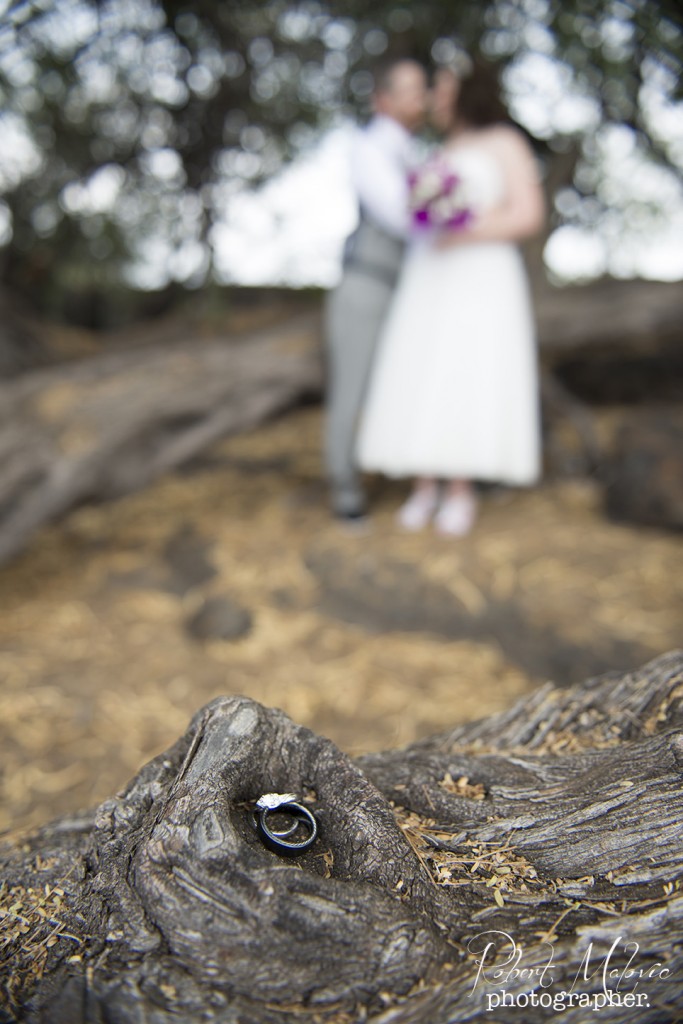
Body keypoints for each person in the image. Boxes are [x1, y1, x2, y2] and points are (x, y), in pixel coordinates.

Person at [356, 59, 545, 535]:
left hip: (480, 274)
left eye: (441, 89)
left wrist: (463, 228)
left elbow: (527, 215)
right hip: (432, 273)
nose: (434, 98)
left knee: (467, 370)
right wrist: (434, 219)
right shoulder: (442, 148)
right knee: (424, 368)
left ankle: (459, 489)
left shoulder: (505, 142)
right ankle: (424, 486)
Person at [324, 58, 428, 523]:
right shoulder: (370, 147)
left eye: (422, 89)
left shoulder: (418, 151)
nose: (419, 99)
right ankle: (344, 487)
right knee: (352, 388)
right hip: (368, 283)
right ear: (382, 99)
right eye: (409, 90)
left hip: (409, 290)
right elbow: (396, 214)